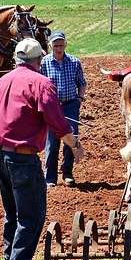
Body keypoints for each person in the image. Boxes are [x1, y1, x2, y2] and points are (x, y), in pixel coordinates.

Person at [0, 38, 84, 260]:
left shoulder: (0, 81)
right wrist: (75, 146)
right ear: (39, 60)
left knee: (13, 214)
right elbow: (59, 124)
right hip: (22, 158)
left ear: (17, 59)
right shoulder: (40, 83)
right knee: (32, 216)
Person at [39, 31, 88, 188]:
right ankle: (50, 177)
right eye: (55, 45)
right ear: (51, 45)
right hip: (52, 108)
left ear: (65, 44)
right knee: (52, 142)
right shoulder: (44, 63)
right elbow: (39, 86)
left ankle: (67, 173)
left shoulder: (74, 62)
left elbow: (82, 82)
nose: (58, 48)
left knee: (71, 139)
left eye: (61, 45)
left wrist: (80, 98)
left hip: (70, 105)